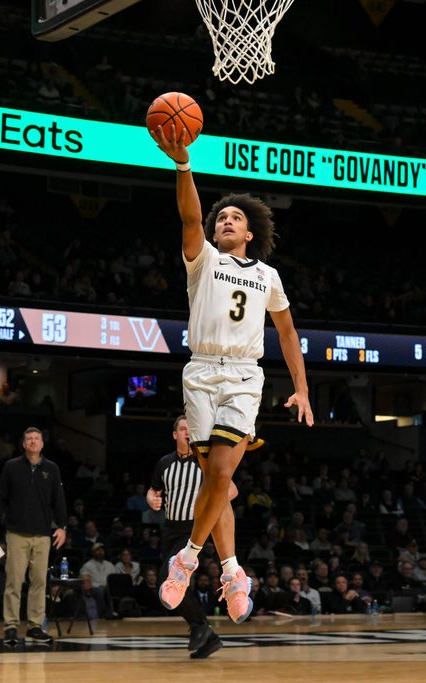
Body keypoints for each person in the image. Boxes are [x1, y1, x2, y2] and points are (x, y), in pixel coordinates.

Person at [149, 123, 314, 624]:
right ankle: (234, 570)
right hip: (200, 372)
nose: (225, 220)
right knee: (215, 482)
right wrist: (183, 164)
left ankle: (187, 559)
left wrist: (302, 388)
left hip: (244, 375)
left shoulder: (268, 276)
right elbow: (189, 214)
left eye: (235, 217)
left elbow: (287, 333)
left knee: (220, 474)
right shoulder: (202, 262)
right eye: (222, 216)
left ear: (250, 233)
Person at [146, 414, 230, 659]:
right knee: (173, 586)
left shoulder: (204, 462)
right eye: (182, 428)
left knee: (167, 580)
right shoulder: (164, 463)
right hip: (170, 530)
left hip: (194, 530)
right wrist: (151, 499)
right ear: (175, 435)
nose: (187, 432)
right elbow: (153, 491)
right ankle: (209, 637)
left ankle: (200, 627)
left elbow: (228, 488)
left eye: (190, 429)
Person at [0, 427, 67, 647]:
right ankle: (11, 626)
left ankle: (34, 626)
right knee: (14, 581)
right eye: (29, 438)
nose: (32, 441)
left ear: (42, 443)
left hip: (42, 535)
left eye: (36, 438)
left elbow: (59, 500)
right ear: (23, 444)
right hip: (16, 533)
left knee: (39, 581)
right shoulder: (11, 467)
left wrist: (63, 526)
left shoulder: (52, 468)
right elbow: (0, 497)